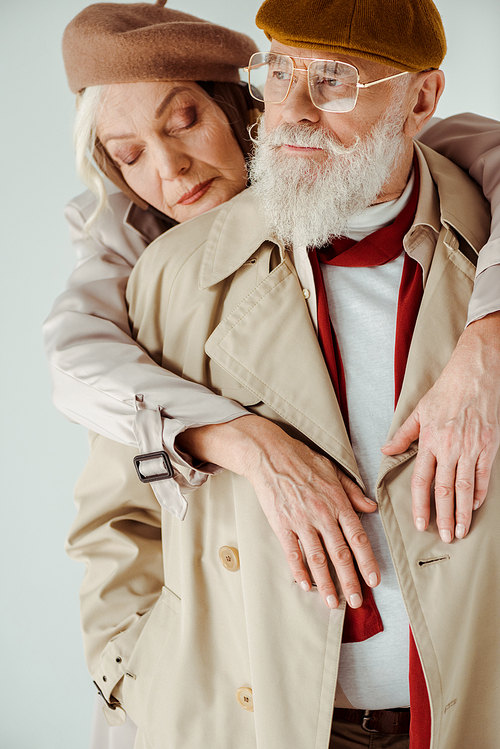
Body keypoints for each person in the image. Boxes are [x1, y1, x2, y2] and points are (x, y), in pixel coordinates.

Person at [66, 0, 500, 746]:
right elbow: (118, 518)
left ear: (421, 99)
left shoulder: (484, 237)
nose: (289, 111)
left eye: (331, 79)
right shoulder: (169, 274)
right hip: (255, 720)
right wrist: (139, 671)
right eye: (278, 71)